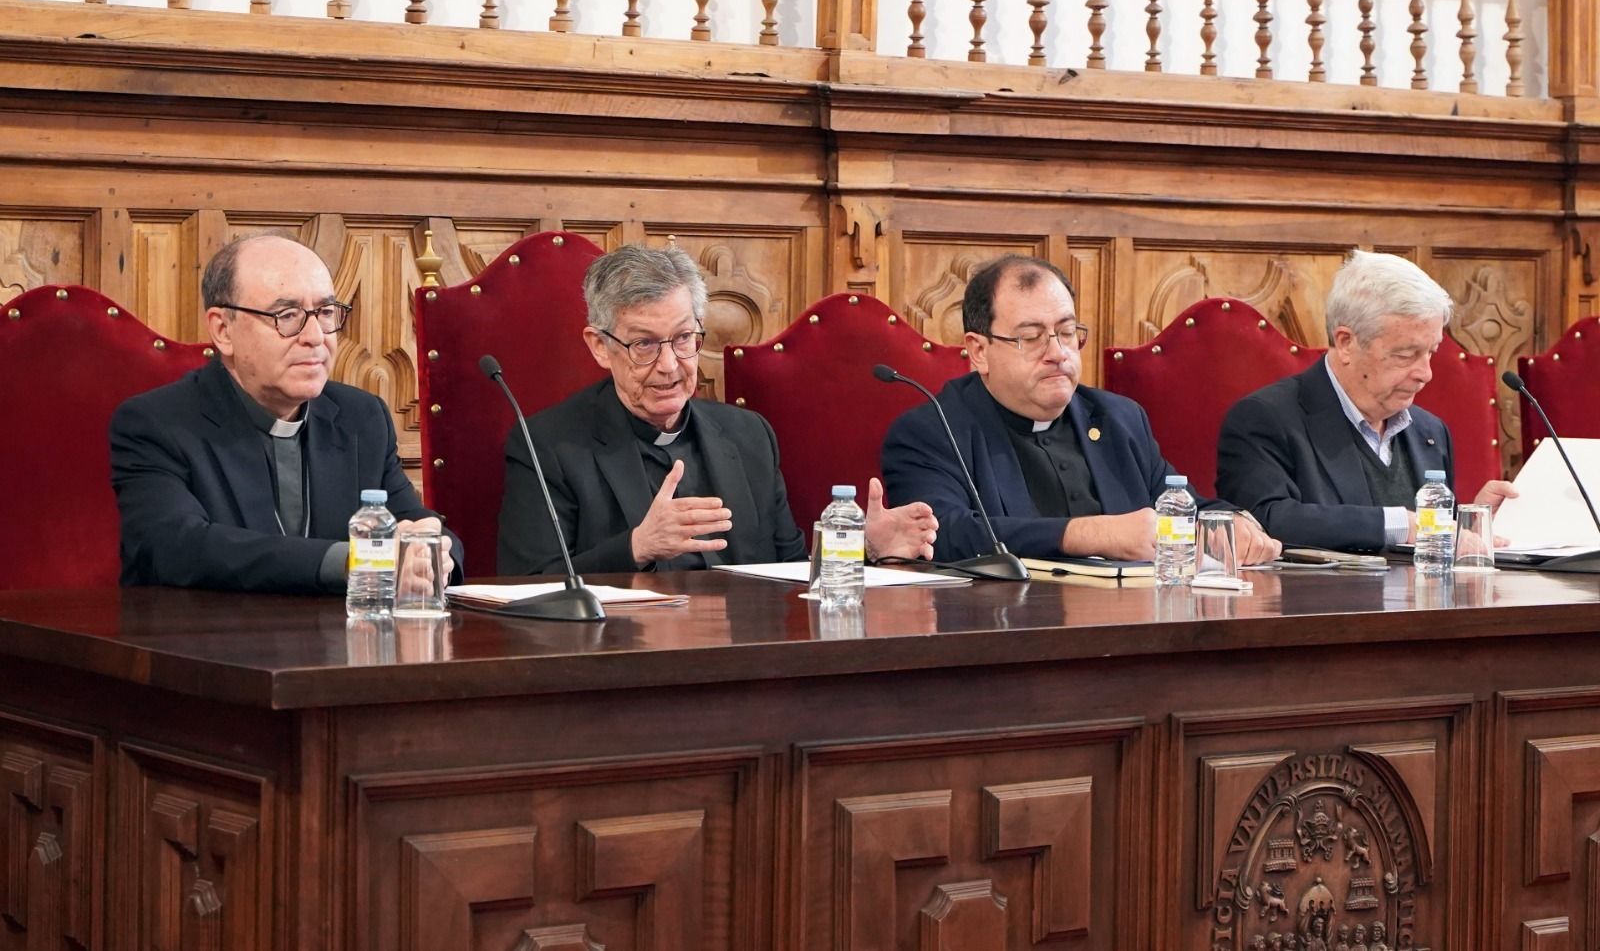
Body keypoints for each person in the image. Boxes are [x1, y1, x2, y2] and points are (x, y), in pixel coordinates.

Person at [497, 245, 939, 575]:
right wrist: (636, 547)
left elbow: (787, 573)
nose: (669, 366)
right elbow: (525, 587)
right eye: (644, 344)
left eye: (683, 338)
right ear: (600, 347)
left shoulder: (749, 437)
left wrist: (864, 549)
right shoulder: (548, 445)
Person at [111, 234, 460, 592]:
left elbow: (416, 523)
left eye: (325, 313)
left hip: (342, 644)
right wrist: (355, 561)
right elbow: (180, 548)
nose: (315, 336)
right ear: (222, 329)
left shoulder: (361, 418)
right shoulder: (156, 423)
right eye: (287, 315)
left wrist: (434, 551)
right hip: (204, 641)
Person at [881, 254, 1280, 564]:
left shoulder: (1119, 419)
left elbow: (1181, 506)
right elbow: (942, 535)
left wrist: (1231, 524)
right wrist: (1093, 534)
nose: (1057, 353)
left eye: (1068, 333)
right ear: (979, 351)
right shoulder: (932, 431)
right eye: (1032, 338)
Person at [1217, 250, 1515, 552]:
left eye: (1431, 352)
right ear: (1346, 343)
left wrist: (1468, 526)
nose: (1425, 374)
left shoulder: (1430, 431)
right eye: (1404, 355)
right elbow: (1264, 521)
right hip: (1325, 599)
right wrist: (1404, 526)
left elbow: (1431, 541)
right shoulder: (1266, 419)